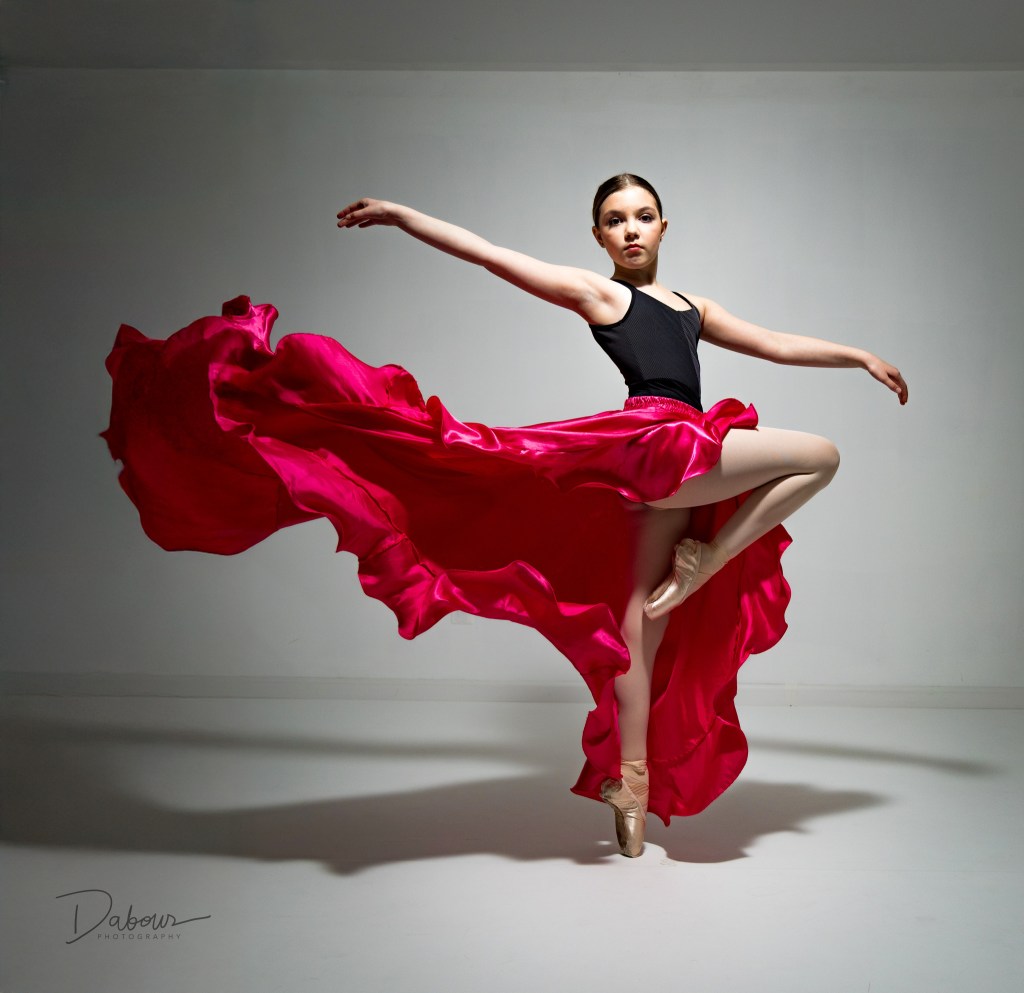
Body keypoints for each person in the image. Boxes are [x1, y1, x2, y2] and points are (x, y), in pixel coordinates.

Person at [103, 174, 907, 860]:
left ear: (664, 224)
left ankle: (627, 787)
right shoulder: (602, 293)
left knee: (637, 632)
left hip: (664, 461)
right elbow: (493, 257)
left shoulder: (694, 305)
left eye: (642, 214)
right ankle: (709, 560)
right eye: (615, 219)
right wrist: (405, 217)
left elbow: (769, 341)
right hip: (658, 444)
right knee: (820, 455)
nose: (630, 228)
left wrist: (858, 354)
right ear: (598, 234)